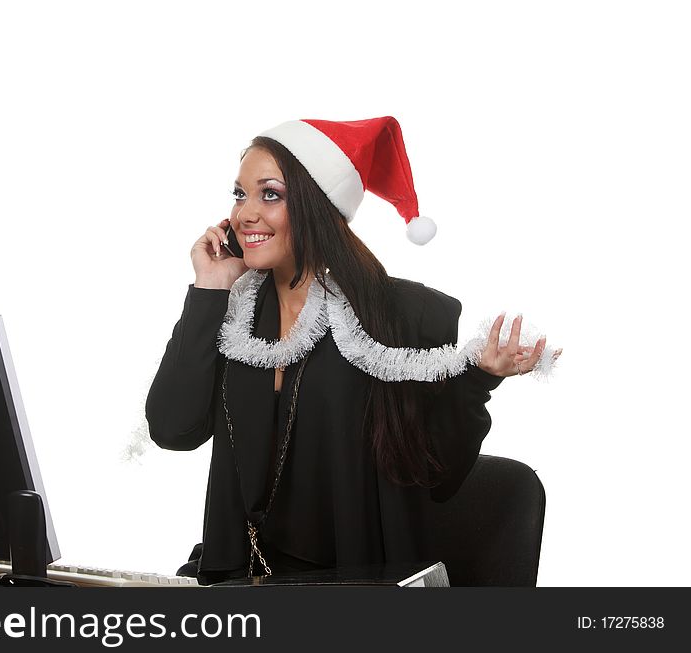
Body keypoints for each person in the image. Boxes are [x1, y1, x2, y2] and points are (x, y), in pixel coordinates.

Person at [145, 117, 560, 584]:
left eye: (271, 194)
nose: (245, 214)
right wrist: (209, 289)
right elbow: (172, 429)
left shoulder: (400, 314)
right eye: (239, 194)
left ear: (317, 206)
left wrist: (480, 377)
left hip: (355, 586)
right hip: (244, 581)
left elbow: (434, 472)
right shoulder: (235, 312)